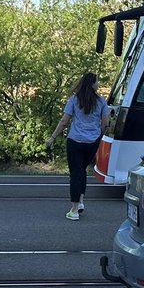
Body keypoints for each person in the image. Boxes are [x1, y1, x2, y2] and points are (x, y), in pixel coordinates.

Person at [46, 72, 109, 221]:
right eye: (97, 81)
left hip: (75, 140)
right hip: (92, 142)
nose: (98, 84)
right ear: (92, 84)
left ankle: (73, 210)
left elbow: (64, 121)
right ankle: (81, 201)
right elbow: (105, 123)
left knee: (75, 174)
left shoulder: (74, 100)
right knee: (83, 170)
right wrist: (99, 135)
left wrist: (52, 137)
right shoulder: (101, 101)